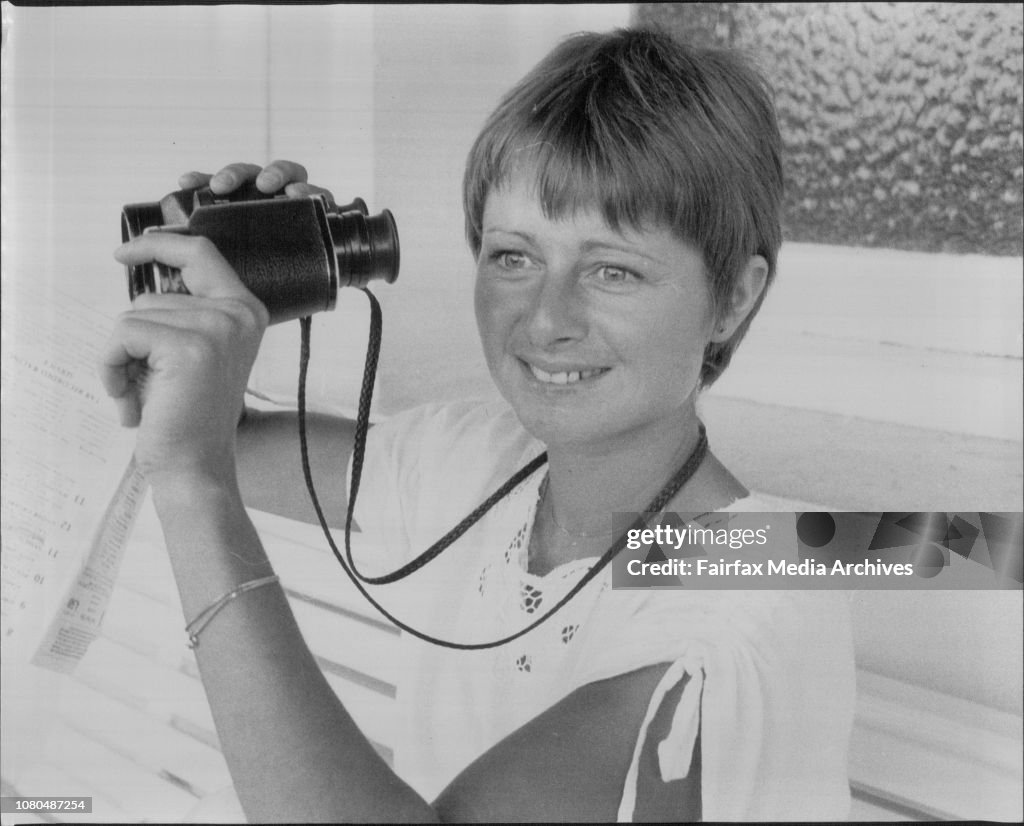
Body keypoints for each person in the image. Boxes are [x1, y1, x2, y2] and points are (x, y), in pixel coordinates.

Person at [102, 28, 855, 822]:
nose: (547, 319)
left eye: (612, 269)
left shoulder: (767, 572)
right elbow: (192, 427)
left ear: (733, 298)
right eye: (513, 258)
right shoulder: (476, 460)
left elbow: (193, 463)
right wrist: (217, 277)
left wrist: (193, 485)